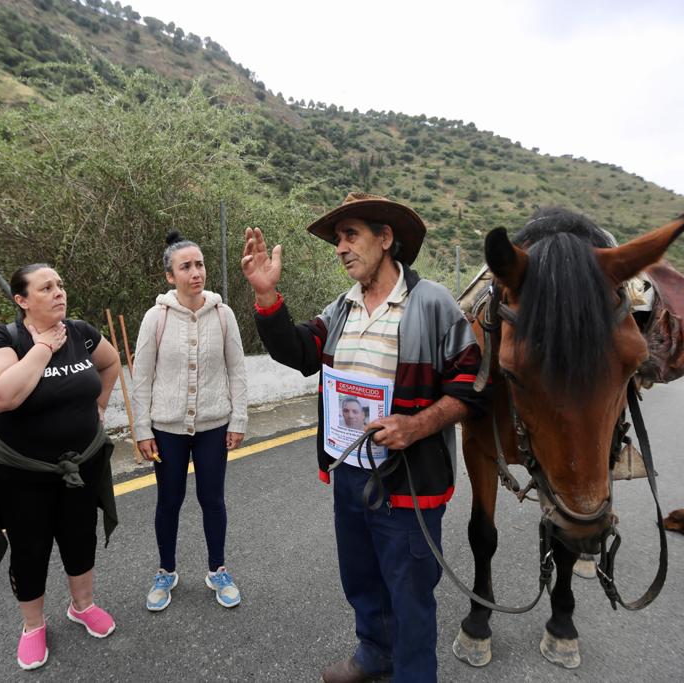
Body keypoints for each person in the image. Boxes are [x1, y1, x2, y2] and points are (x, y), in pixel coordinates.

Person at [241, 193, 489, 683]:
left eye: (350, 234)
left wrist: (416, 426)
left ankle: (414, 674)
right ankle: (375, 651)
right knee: (361, 577)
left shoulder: (432, 302)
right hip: (350, 473)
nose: (340, 248)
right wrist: (267, 297)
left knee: (411, 589)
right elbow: (300, 351)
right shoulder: (342, 309)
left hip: (410, 481)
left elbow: (471, 386)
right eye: (337, 239)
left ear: (386, 237)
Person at [0, 263, 121, 671]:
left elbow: (110, 363)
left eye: (60, 284)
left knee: (79, 538)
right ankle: (33, 626)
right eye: (46, 288)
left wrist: (101, 404)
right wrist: (43, 348)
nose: (59, 292)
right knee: (30, 549)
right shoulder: (6, 338)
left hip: (81, 464)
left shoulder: (82, 332)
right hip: (22, 473)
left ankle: (83, 605)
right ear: (22, 300)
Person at [132, 232, 248, 612]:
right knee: (169, 500)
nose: (196, 272)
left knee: (212, 499)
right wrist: (142, 430)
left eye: (199, 264)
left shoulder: (223, 314)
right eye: (186, 267)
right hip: (167, 431)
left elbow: (237, 372)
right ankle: (166, 571)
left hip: (215, 426)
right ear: (170, 276)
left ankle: (218, 569)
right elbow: (142, 378)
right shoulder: (155, 318)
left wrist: (238, 419)